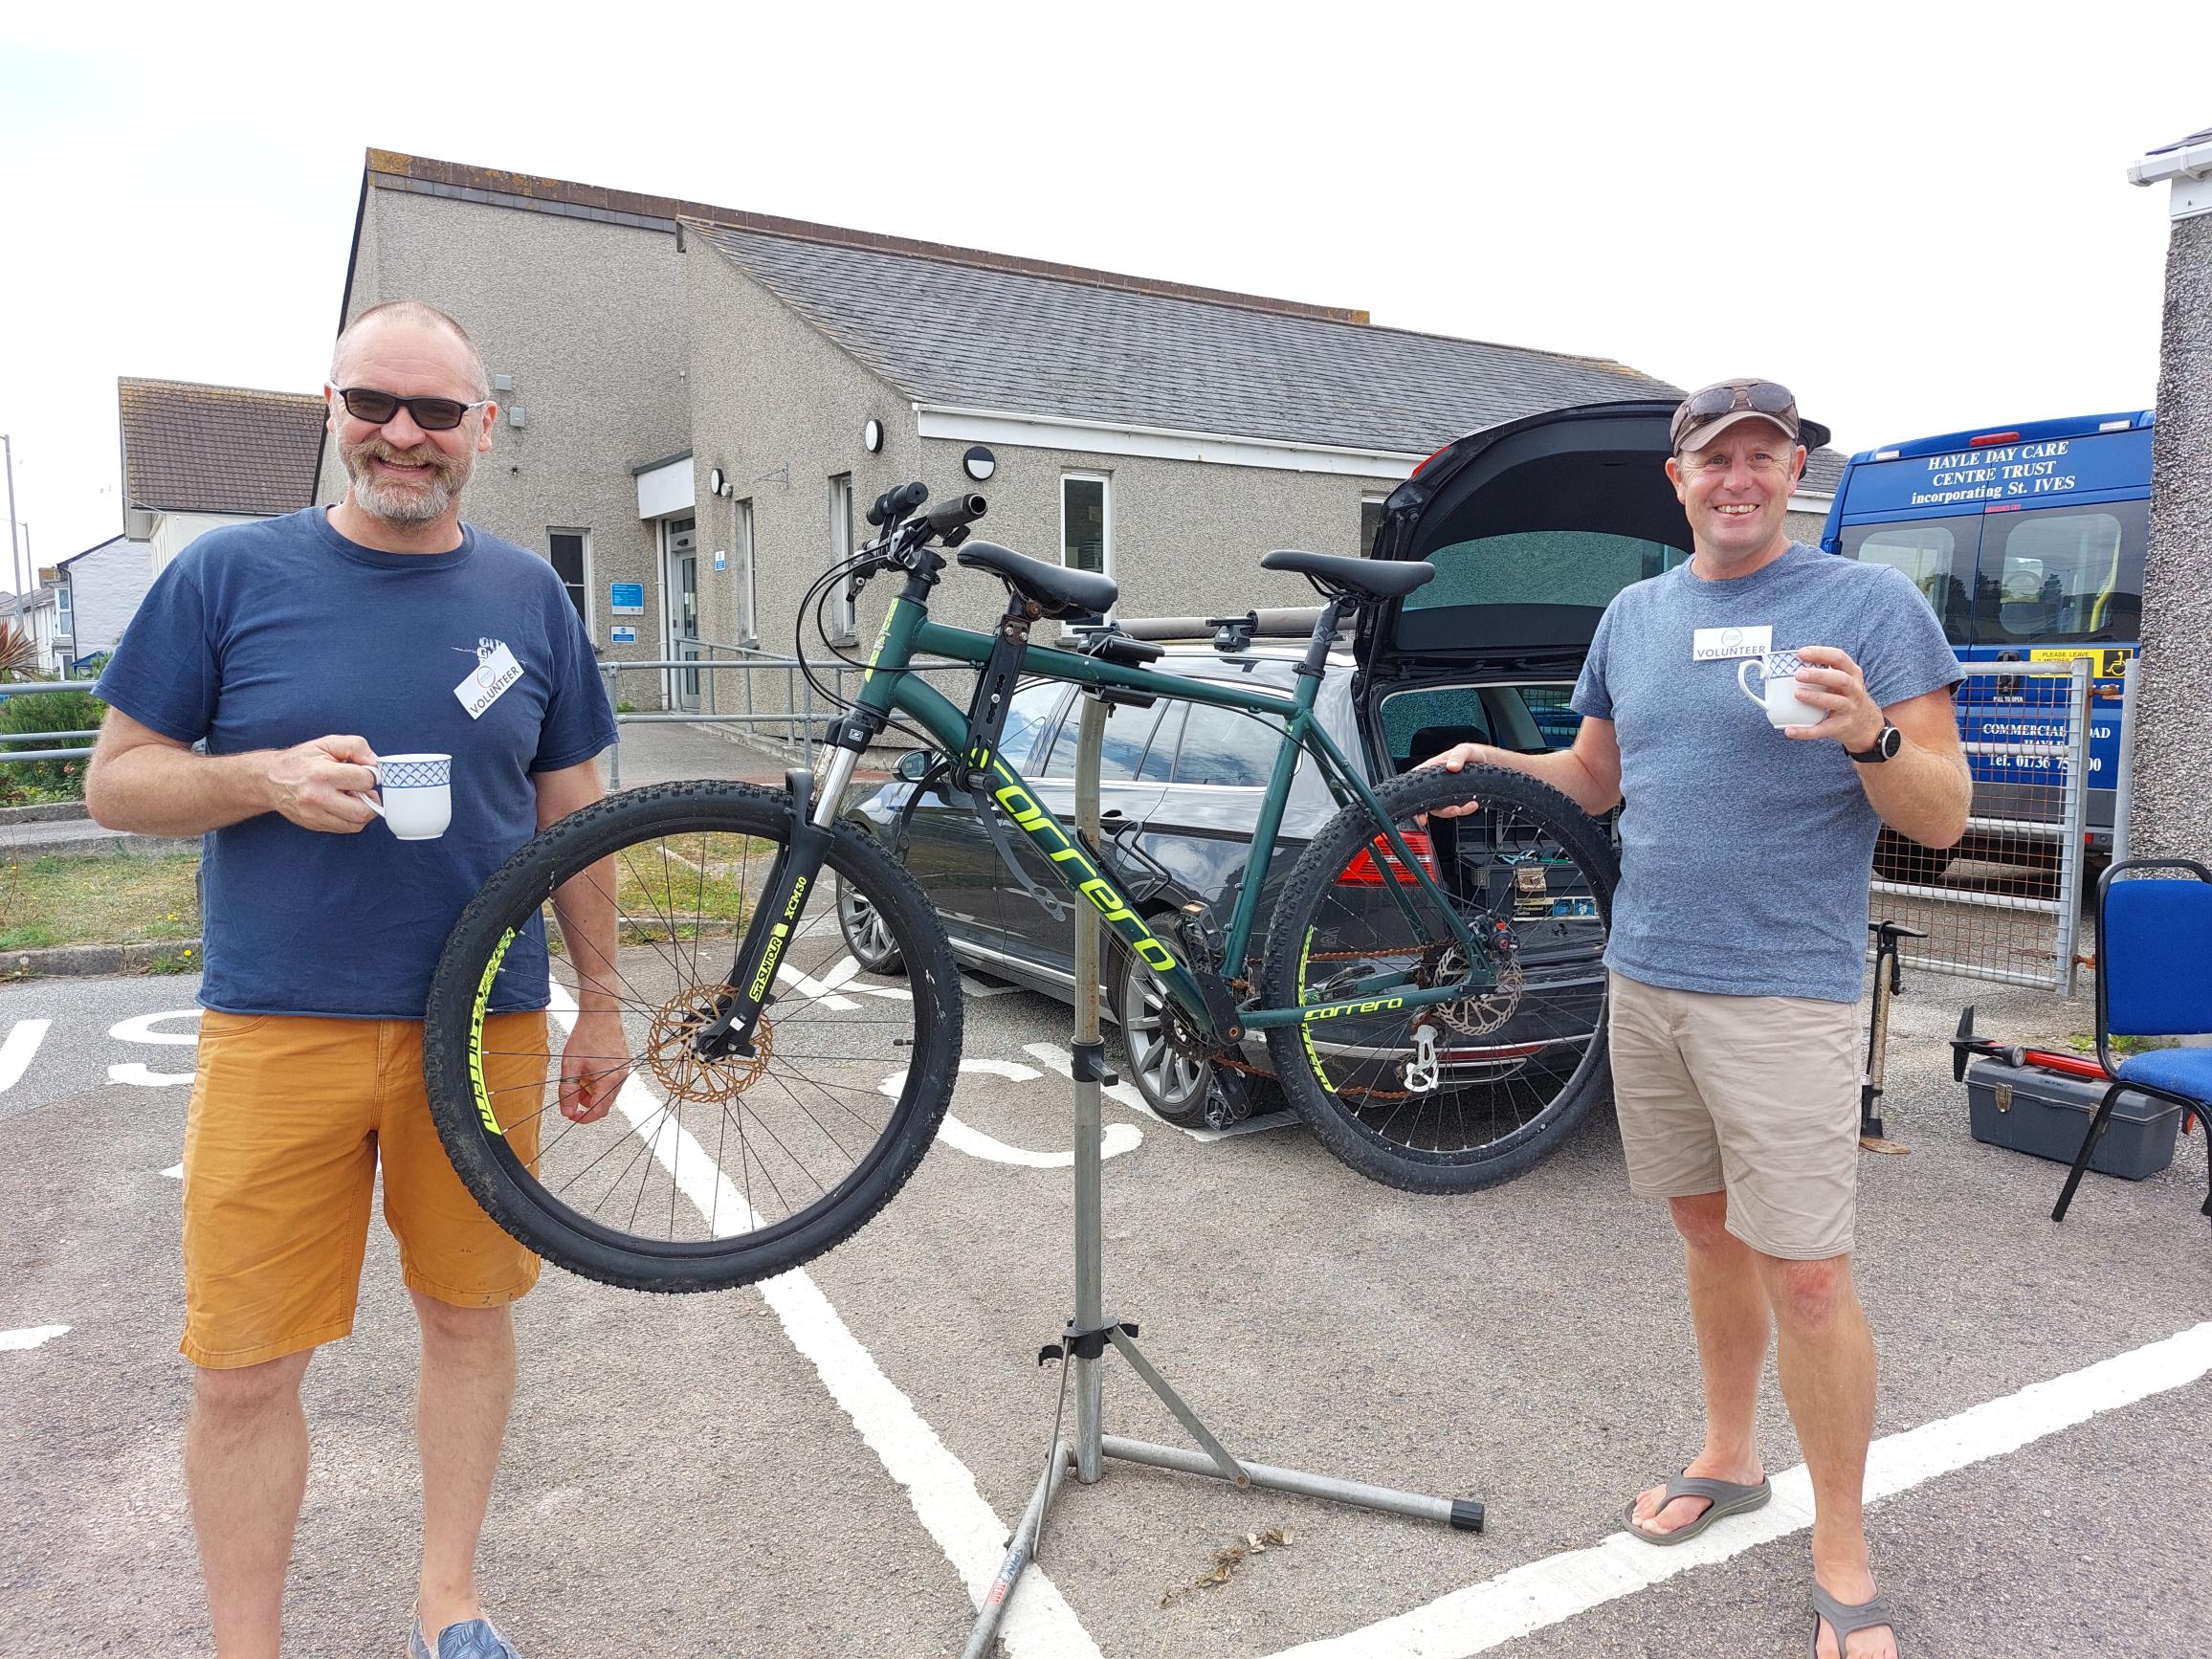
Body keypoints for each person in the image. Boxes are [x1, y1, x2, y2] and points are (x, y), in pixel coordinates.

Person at [87, 300, 627, 1659]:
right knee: (244, 1365)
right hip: (280, 1024)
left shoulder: (529, 597)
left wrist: (604, 997)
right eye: (375, 403)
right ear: (330, 409)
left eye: (436, 412)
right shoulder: (223, 578)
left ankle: (451, 1599)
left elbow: (577, 807)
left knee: (467, 1315)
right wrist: (260, 778)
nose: (403, 434)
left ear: (480, 431)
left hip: (486, 1024)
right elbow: (114, 780)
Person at [1424, 379, 1969, 1659]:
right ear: (1677, 479)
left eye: (1762, 456)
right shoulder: (1635, 614)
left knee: (1815, 1278)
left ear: (1795, 476)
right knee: (1706, 1233)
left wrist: (1872, 733)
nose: (1737, 477)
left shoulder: (1870, 607)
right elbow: (1596, 776)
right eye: (1713, 457)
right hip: (1650, 973)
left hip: (1786, 988)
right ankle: (1731, 1457)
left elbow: (1943, 815)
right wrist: (1486, 765)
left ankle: (1842, 1541)